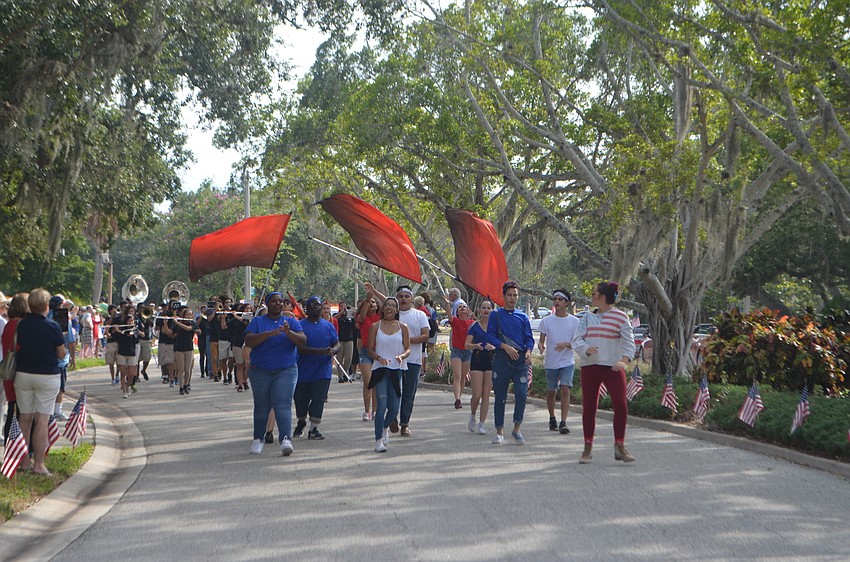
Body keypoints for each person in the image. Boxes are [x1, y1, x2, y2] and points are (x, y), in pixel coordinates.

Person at [572, 281, 636, 464]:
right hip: (590, 366)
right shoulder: (586, 317)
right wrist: (586, 349)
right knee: (590, 407)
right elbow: (576, 339)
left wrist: (623, 362)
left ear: (604, 297)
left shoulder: (621, 317)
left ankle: (620, 446)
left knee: (621, 404)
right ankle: (587, 447)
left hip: (613, 367)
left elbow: (629, 343)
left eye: (595, 294)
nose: (592, 296)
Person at [244, 292, 306, 456]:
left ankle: (285, 439)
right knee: (262, 406)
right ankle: (258, 439)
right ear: (267, 304)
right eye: (274, 301)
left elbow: (303, 341)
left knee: (283, 403)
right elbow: (249, 341)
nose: (278, 304)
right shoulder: (258, 321)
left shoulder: (291, 322)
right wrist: (268, 334)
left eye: (281, 302)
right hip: (260, 371)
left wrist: (289, 333)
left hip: (286, 369)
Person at [13, 289, 65, 475]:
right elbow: (61, 353)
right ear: (46, 306)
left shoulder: (21, 325)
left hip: (23, 373)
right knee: (42, 419)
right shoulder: (52, 327)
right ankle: (39, 464)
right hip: (47, 375)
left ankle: (24, 461)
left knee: (24, 418)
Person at [371, 285, 430, 436]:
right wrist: (373, 290)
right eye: (401, 296)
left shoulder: (419, 315)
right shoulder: (392, 314)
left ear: (411, 299)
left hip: (412, 360)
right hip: (392, 364)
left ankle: (405, 424)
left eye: (406, 296)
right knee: (394, 392)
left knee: (408, 394)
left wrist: (406, 341)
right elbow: (384, 301)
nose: (403, 299)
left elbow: (425, 336)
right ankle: (392, 418)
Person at [483, 281, 535, 445]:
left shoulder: (523, 317)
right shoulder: (496, 315)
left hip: (520, 362)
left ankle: (517, 428)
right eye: (510, 295)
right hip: (502, 360)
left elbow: (529, 338)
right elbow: (490, 336)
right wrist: (504, 346)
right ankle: (499, 431)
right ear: (504, 296)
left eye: (515, 295)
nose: (512, 298)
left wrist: (528, 351)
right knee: (500, 397)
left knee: (521, 394)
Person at [293, 296, 340, 440]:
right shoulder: (299, 326)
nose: (316, 308)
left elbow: (337, 343)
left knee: (318, 399)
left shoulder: (328, 326)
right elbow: (299, 348)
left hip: (322, 370)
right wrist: (317, 351)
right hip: (303, 370)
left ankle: (314, 429)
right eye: (312, 305)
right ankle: (301, 421)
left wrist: (334, 350)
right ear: (306, 308)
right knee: (301, 401)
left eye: (318, 305)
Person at [367, 297, 410, 453]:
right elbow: (369, 349)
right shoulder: (375, 327)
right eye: (387, 305)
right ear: (383, 309)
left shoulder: (403, 327)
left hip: (396, 370)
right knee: (381, 404)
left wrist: (402, 356)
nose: (390, 308)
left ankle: (385, 427)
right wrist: (378, 358)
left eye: (393, 306)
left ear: (397, 310)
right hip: (380, 369)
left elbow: (408, 349)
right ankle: (378, 440)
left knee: (393, 408)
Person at [537, 289, 580, 435]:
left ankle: (563, 422)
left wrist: (566, 345)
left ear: (567, 303)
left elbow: (578, 343)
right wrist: (541, 346)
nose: (557, 302)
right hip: (551, 362)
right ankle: (552, 418)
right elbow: (541, 340)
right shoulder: (546, 321)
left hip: (567, 361)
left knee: (565, 388)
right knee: (551, 391)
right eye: (555, 299)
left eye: (560, 300)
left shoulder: (575, 321)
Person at [464, 299, 496, 435]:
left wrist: (493, 347)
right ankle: (472, 415)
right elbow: (466, 345)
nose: (486, 310)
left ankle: (482, 424)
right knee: (477, 394)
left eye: (489, 308)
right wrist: (476, 345)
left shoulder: (495, 327)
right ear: (479, 310)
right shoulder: (474, 326)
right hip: (477, 360)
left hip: (490, 360)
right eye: (484, 307)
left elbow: (500, 344)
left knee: (486, 394)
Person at [2, 293, 27, 443]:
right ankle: (15, 446)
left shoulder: (7, 326)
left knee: (12, 409)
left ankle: (9, 446)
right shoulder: (20, 326)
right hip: (18, 371)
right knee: (18, 413)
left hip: (9, 371)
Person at [355, 284, 383, 421]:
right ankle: (367, 411)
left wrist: (375, 292)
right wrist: (368, 299)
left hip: (379, 353)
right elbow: (361, 317)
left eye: (373, 302)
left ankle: (376, 411)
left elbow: (388, 302)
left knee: (376, 384)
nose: (372, 304)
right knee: (368, 382)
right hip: (366, 352)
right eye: (369, 303)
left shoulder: (381, 318)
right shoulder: (362, 319)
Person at [445, 299, 474, 409]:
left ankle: (459, 397)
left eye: (464, 307)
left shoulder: (471, 323)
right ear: (457, 311)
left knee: (462, 377)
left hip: (467, 352)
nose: (462, 308)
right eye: (460, 307)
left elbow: (481, 322)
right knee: (457, 375)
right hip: (457, 351)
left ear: (468, 310)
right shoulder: (455, 321)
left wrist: (473, 315)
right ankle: (457, 399)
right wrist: (448, 304)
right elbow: (449, 315)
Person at [112, 303, 141, 399]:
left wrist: (118, 330)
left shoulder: (135, 330)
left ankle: (128, 386)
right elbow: (113, 336)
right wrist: (114, 329)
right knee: (123, 373)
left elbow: (129, 335)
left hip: (131, 353)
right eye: (128, 321)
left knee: (132, 374)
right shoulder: (122, 329)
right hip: (122, 353)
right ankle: (124, 390)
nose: (130, 322)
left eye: (131, 321)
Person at [172, 307, 200, 395]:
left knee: (187, 369)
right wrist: (165, 324)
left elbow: (189, 329)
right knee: (181, 369)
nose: (189, 316)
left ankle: (186, 384)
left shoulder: (193, 323)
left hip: (189, 348)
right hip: (179, 348)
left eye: (190, 315)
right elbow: (169, 332)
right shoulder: (178, 324)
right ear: (183, 315)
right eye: (187, 314)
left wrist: (177, 323)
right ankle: (180, 387)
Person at [229, 303, 253, 392]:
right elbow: (226, 326)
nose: (248, 310)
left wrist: (235, 315)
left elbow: (244, 320)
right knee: (239, 365)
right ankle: (240, 384)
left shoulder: (250, 318)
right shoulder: (235, 320)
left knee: (248, 365)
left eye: (250, 309)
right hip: (237, 343)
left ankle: (244, 380)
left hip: (247, 344)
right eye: (246, 308)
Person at [334, 301, 357, 383]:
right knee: (339, 359)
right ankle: (340, 376)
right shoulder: (336, 316)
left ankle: (345, 372)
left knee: (348, 358)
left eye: (345, 306)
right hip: (340, 340)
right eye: (341, 306)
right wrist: (341, 312)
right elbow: (334, 320)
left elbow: (356, 325)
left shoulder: (350, 317)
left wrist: (355, 315)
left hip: (349, 339)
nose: (344, 308)